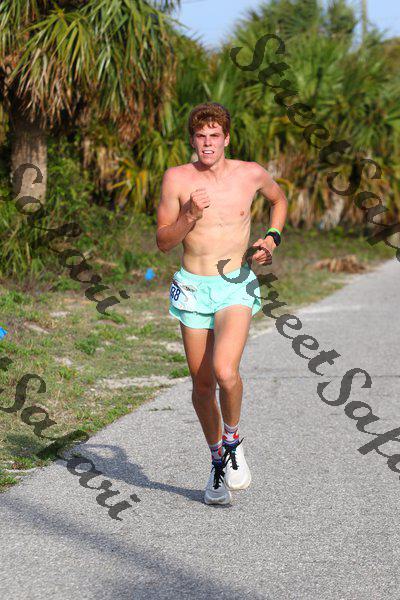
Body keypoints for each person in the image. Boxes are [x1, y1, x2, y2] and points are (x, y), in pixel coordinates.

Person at [156, 102, 288, 505]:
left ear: (226, 139)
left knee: (225, 371)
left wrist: (271, 238)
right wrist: (189, 216)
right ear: (192, 140)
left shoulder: (250, 174)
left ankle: (232, 441)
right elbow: (163, 242)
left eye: (214, 135)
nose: (207, 143)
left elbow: (279, 200)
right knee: (202, 385)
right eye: (201, 136)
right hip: (192, 287)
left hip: (234, 284)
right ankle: (217, 461)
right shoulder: (177, 178)